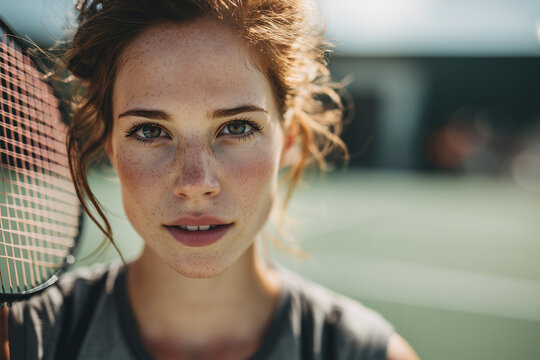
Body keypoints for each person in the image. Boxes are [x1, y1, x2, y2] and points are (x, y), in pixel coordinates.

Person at [1, 0, 419, 359]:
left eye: (237, 127)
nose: (195, 182)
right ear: (110, 147)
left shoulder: (366, 353)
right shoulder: (20, 340)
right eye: (149, 131)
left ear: (288, 140)